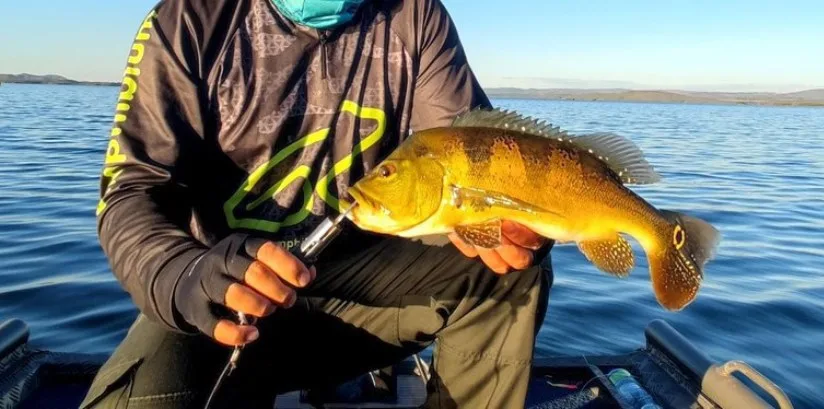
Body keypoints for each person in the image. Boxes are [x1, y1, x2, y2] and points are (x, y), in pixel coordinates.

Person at [81, 0, 555, 408]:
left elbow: (469, 155)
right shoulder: (191, 17)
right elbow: (131, 192)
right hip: (221, 306)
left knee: (507, 266)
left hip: (360, 295)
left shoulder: (415, 15)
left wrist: (523, 220)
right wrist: (179, 276)